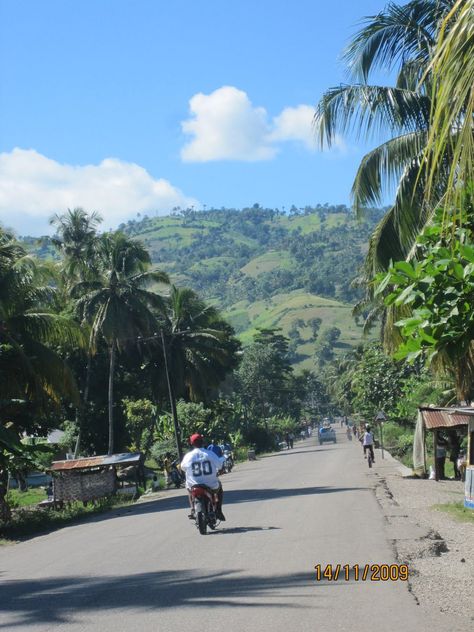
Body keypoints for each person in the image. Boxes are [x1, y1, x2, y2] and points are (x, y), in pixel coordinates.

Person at [181, 433, 226, 521]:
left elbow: (183, 467)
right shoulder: (210, 454)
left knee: (189, 490)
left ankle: (192, 509)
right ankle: (219, 510)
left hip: (194, 484)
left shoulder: (188, 456)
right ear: (203, 442)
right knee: (219, 488)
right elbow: (220, 466)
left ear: (192, 443)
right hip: (211, 484)